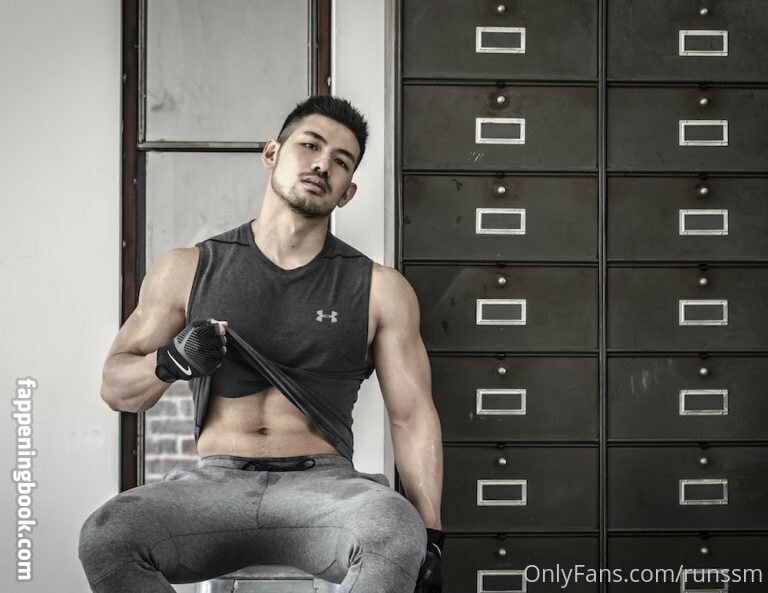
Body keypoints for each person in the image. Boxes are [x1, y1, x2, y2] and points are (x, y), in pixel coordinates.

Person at [78, 96, 445, 593]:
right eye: (310, 146)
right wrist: (172, 360)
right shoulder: (187, 269)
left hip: (327, 492)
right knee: (107, 537)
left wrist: (432, 535)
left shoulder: (381, 289)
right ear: (271, 153)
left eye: (341, 162)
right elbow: (115, 388)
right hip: (215, 487)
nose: (323, 164)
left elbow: (412, 416)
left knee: (396, 532)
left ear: (348, 192)